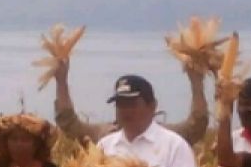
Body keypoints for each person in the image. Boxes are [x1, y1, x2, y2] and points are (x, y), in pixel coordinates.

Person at [53, 57, 209, 147]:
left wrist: (196, 83)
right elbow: (69, 123)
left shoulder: (169, 139)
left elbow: (196, 126)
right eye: (121, 104)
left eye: (132, 104)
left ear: (152, 106)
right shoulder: (104, 137)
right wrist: (61, 82)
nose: (125, 110)